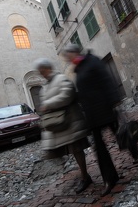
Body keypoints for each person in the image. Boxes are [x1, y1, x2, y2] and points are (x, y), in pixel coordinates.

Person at [62, 44, 133, 196]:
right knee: (99, 148)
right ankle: (110, 179)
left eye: (68, 55)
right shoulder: (77, 69)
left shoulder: (92, 61)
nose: (67, 59)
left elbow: (107, 80)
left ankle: (134, 151)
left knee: (120, 134)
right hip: (92, 115)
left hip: (106, 109)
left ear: (75, 53)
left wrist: (115, 100)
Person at [34, 58, 92, 194]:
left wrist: (49, 105)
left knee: (77, 150)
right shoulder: (45, 86)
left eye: (42, 71)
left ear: (48, 68)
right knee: (58, 151)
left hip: (70, 122)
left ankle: (85, 176)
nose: (41, 74)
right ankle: (80, 175)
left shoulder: (61, 79)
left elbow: (68, 95)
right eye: (40, 72)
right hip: (58, 125)